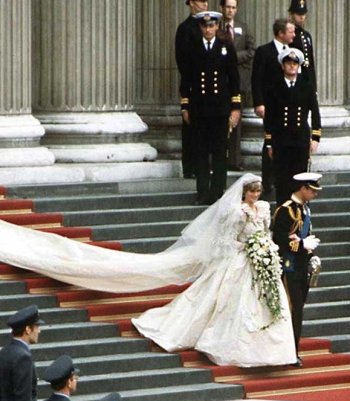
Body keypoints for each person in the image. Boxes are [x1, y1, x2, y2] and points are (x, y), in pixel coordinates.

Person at [133, 174, 296, 367]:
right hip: (242, 259)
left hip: (261, 259)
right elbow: (227, 240)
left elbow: (266, 232)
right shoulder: (238, 212)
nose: (255, 195)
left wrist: (266, 247)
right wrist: (250, 247)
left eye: (258, 191)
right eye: (252, 191)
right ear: (244, 192)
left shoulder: (263, 208)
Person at [180, 11, 242, 205]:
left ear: (216, 27)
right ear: (200, 27)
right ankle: (202, 192)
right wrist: (185, 106)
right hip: (199, 109)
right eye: (204, 26)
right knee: (200, 152)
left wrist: (235, 107)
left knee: (219, 152)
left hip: (220, 109)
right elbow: (186, 79)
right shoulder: (193, 48)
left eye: (211, 26)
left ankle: (217, 192)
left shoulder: (226, 47)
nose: (208, 30)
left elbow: (234, 79)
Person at [272, 172, 321, 364]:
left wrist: (310, 254)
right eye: (312, 190)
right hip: (289, 266)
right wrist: (301, 245)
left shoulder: (305, 209)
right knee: (293, 309)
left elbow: (306, 234)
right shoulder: (286, 210)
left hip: (301, 266)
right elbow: (280, 240)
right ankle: (290, 353)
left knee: (299, 309)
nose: (315, 194)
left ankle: (293, 350)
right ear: (303, 188)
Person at [264, 48, 321, 204]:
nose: (291, 66)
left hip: (300, 139)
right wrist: (269, 142)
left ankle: (299, 214)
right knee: (282, 179)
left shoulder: (307, 86)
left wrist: (315, 137)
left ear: (299, 66)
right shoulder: (274, 87)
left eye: (295, 64)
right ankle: (283, 212)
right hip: (281, 139)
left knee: (301, 180)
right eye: (288, 63)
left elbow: (315, 113)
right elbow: (269, 117)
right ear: (283, 66)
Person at [252, 18, 297, 196]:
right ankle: (268, 180)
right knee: (270, 141)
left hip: (289, 105)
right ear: (280, 33)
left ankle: (284, 178)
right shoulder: (264, 51)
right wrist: (259, 103)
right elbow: (256, 79)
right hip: (270, 105)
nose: (294, 35)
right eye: (291, 31)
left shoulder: (293, 53)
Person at [218, 0, 255, 171]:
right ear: (222, 8)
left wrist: (233, 57)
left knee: (236, 121)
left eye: (233, 7)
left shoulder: (243, 27)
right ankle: (217, 158)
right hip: (220, 82)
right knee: (219, 121)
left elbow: (251, 50)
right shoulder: (215, 27)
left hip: (238, 81)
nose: (230, 10)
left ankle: (234, 160)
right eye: (228, 7)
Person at [175, 0, 210, 179]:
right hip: (193, 84)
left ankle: (204, 165)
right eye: (200, 1)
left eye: (206, 1)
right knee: (191, 127)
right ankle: (190, 166)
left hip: (210, 87)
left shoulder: (211, 26)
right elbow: (183, 61)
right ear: (191, 3)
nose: (204, 4)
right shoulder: (185, 28)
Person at [288, 0, 315, 90]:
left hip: (307, 79)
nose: (302, 17)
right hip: (295, 79)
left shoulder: (307, 35)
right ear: (291, 14)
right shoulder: (289, 34)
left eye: (303, 14)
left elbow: (310, 63)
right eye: (298, 14)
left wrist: (313, 87)